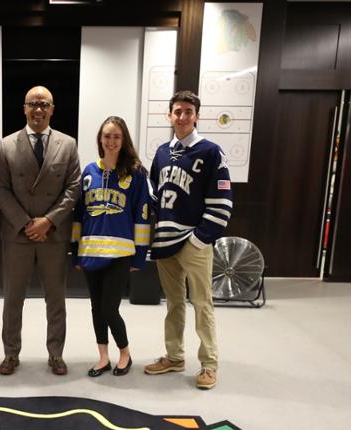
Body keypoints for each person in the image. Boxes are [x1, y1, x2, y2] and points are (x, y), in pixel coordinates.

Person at [144, 90, 232, 389]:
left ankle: (209, 364)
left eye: (188, 112)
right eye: (177, 111)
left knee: (202, 303)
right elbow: (155, 196)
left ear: (197, 116)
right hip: (166, 241)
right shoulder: (162, 153)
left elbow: (223, 202)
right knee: (173, 303)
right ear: (169, 116)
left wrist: (200, 238)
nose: (182, 117)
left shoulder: (211, 152)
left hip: (194, 242)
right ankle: (175, 356)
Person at [0, 86, 81, 376]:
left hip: (52, 235)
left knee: (55, 299)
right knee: (13, 299)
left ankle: (56, 353)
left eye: (44, 104)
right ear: (24, 108)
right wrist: (26, 222)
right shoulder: (7, 145)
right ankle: (10, 354)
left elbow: (73, 188)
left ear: (52, 109)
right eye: (33, 104)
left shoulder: (68, 145)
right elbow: (0, 188)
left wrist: (48, 221)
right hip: (17, 234)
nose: (38, 109)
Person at [71, 116, 150, 377]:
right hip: (90, 252)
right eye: (107, 136)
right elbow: (79, 214)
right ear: (100, 139)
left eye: (117, 136)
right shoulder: (89, 172)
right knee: (96, 307)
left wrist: (139, 257)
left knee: (109, 308)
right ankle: (103, 357)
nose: (111, 141)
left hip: (120, 253)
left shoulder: (136, 173)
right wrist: (75, 251)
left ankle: (125, 353)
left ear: (124, 140)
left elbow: (142, 217)